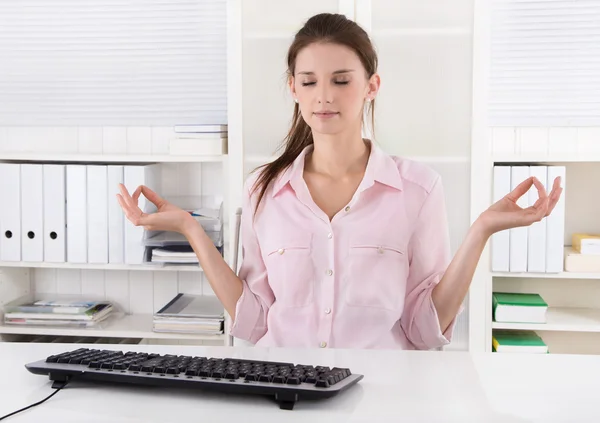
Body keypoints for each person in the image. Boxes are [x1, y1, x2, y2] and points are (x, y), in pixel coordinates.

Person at [116, 13, 562, 350]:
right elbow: (254, 323)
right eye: (309, 82)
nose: (324, 95)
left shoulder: (419, 188)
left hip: (383, 395)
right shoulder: (263, 190)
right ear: (293, 88)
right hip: (284, 390)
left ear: (372, 85)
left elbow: (425, 331)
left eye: (341, 80)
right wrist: (194, 232)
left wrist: (480, 230)